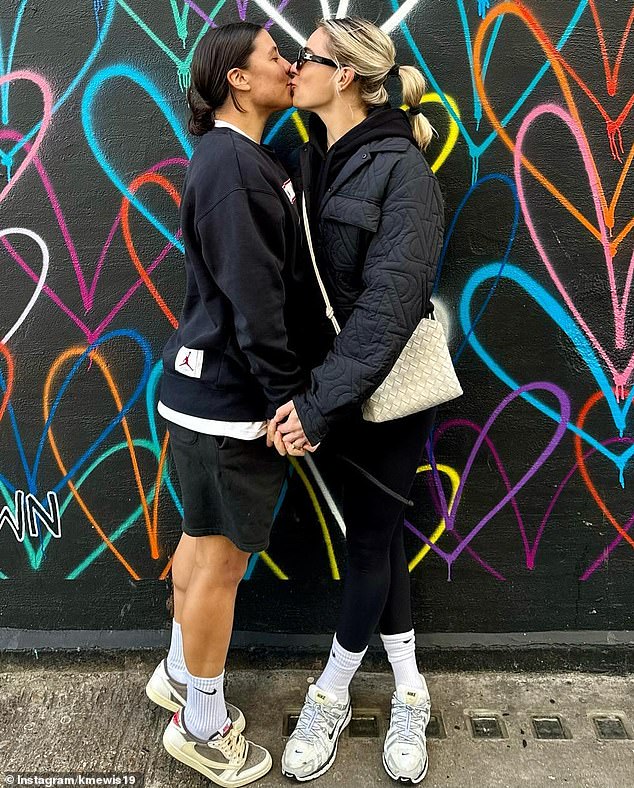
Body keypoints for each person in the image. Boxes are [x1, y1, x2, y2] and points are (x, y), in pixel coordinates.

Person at [267, 17, 445, 784]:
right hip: (328, 391)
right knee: (377, 531)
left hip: (385, 394)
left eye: (304, 56)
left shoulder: (403, 170)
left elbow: (388, 309)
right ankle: (411, 687)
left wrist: (317, 404)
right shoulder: (302, 160)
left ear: (343, 75)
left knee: (369, 541)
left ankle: (332, 692)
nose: (291, 66)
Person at [145, 22, 310, 787]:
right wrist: (287, 401)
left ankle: (178, 676)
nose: (292, 64)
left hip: (201, 397)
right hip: (232, 405)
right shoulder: (235, 166)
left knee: (200, 544)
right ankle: (202, 726)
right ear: (237, 80)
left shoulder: (231, 158)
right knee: (220, 564)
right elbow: (257, 300)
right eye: (276, 56)